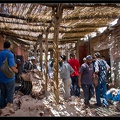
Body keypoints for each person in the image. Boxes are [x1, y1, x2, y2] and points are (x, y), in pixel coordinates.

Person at [0, 41, 18, 109]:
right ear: (10, 46)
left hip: (1, 78)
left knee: (2, 94)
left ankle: (2, 108)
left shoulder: (0, 53)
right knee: (10, 94)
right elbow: (12, 67)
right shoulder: (10, 54)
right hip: (9, 79)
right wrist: (16, 70)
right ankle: (9, 110)